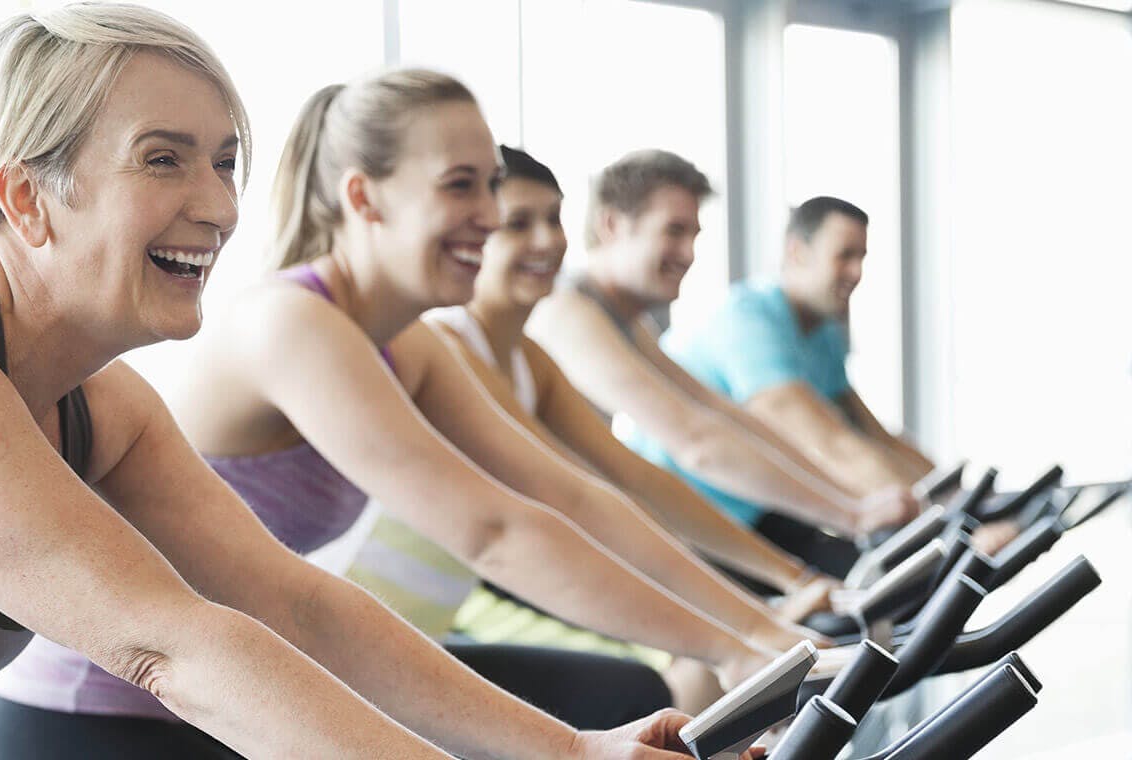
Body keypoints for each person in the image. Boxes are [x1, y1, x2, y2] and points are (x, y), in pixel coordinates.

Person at [0, 5, 723, 758]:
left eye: (225, 162)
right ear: (27, 197)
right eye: (163, 160)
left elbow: (298, 607)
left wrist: (571, 749)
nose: (221, 206)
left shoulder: (104, 406)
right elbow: (173, 645)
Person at [338, 145, 837, 714]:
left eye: (553, 219)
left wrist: (781, 589)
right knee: (656, 688)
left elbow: (631, 478)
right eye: (517, 224)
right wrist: (749, 622)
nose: (547, 240)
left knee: (686, 680)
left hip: (426, 624)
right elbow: (570, 500)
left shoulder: (529, 360)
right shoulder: (450, 342)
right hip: (393, 628)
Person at [529, 150, 918, 578]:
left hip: (618, 530)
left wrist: (852, 505)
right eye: (674, 231)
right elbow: (695, 441)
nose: (689, 253)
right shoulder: (565, 310)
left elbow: (721, 413)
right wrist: (852, 513)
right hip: (553, 552)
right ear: (611, 225)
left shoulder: (625, 319)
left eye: (694, 235)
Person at [644, 195, 1017, 554]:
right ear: (797, 253)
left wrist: (970, 500)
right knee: (887, 582)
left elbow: (872, 435)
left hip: (751, 509)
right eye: (844, 256)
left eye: (862, 258)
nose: (856, 273)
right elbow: (827, 444)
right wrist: (957, 521)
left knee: (899, 575)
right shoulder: (748, 319)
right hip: (682, 519)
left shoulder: (821, 332)